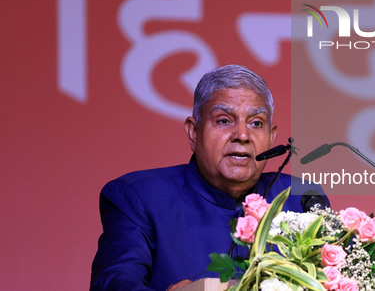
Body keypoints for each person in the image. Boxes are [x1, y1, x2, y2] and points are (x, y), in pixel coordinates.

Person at [91, 65, 312, 291]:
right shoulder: (140, 198)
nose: (243, 136)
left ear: (272, 137)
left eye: (256, 123)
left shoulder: (301, 198)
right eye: (224, 120)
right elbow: (114, 283)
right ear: (193, 132)